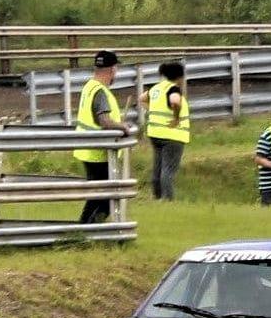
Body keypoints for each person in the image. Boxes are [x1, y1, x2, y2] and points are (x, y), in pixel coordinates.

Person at [73, 50, 134, 223]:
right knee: (105, 197)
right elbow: (104, 121)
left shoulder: (89, 86)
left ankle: (85, 231)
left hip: (88, 149)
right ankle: (89, 231)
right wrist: (122, 125)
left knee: (96, 196)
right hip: (98, 152)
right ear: (112, 70)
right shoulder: (100, 91)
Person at [145, 60, 189, 201]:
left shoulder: (157, 88)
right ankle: (167, 199)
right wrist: (176, 118)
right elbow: (175, 101)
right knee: (168, 170)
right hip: (172, 135)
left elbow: (141, 99)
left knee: (157, 168)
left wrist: (151, 110)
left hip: (155, 134)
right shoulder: (173, 88)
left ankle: (157, 196)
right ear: (179, 77)